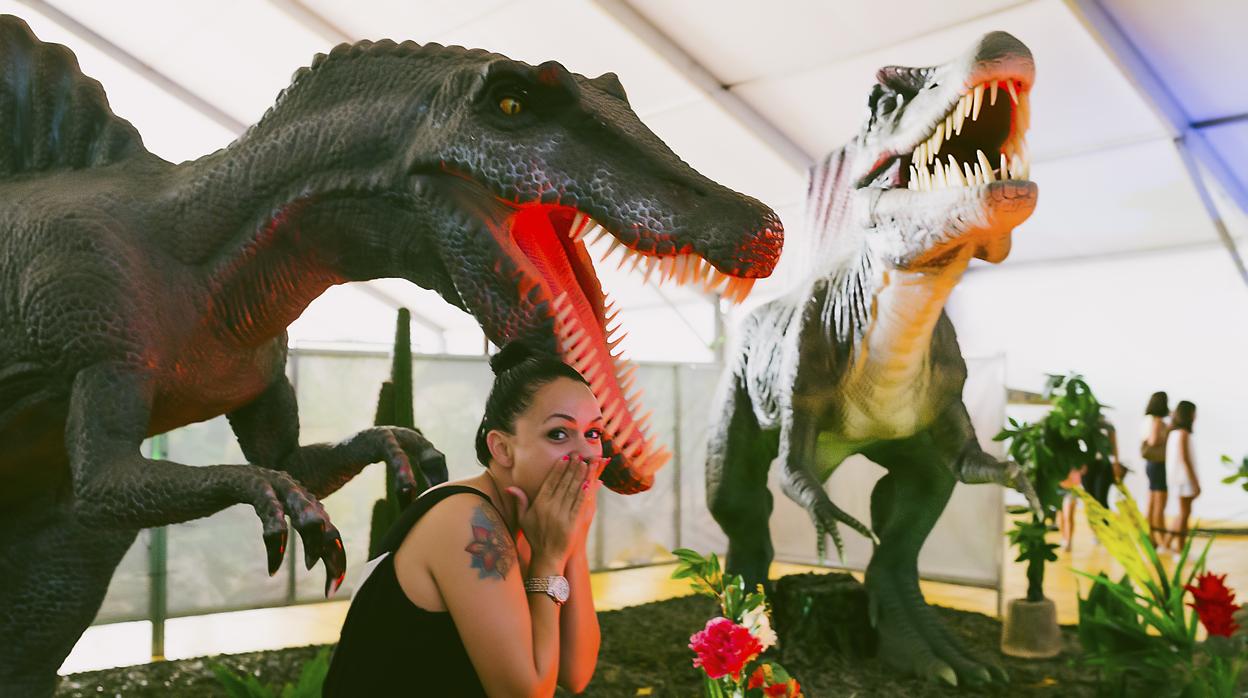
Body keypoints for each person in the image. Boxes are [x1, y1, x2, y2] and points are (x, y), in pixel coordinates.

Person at [323, 342, 604, 696]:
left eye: (594, 433)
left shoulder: (532, 521)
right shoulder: (466, 519)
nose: (586, 454)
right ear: (501, 448)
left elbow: (575, 673)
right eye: (559, 434)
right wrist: (549, 559)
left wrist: (571, 544)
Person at [1165, 400, 1200, 553]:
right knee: (1184, 514)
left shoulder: (1173, 432)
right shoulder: (1183, 434)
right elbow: (1185, 458)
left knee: (1182, 512)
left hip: (1177, 478)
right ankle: (1180, 548)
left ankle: (1166, 543)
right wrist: (1195, 481)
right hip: (1184, 479)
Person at [1140, 391, 1169, 547]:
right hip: (1159, 464)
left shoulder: (1147, 419)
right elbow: (1153, 441)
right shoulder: (1157, 421)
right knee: (1159, 503)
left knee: (1151, 501)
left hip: (1151, 464)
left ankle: (1149, 536)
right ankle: (1161, 539)